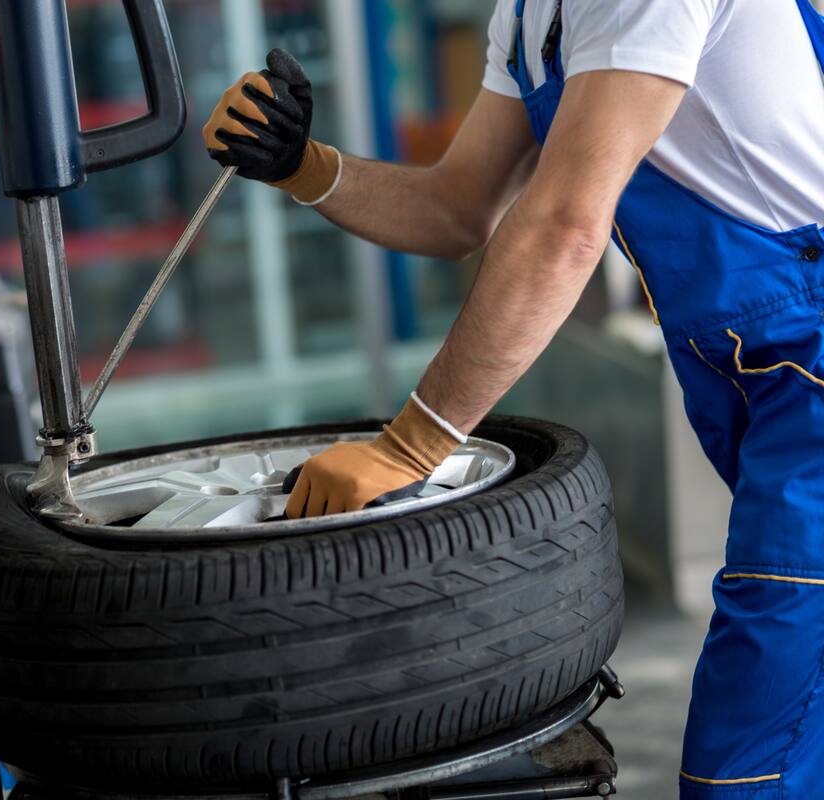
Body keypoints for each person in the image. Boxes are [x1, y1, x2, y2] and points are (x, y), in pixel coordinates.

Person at [202, 0, 824, 796]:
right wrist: (302, 164)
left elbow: (568, 222)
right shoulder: (529, 17)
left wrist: (411, 445)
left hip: (808, 370)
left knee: (750, 760)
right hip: (761, 380)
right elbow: (456, 208)